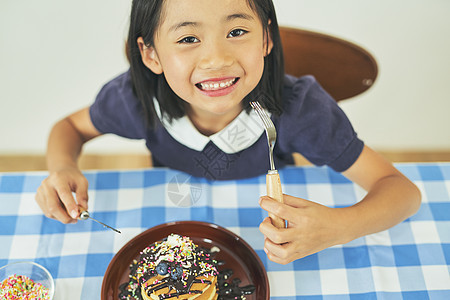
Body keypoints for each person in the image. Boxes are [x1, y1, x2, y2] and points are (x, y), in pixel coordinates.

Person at [35, 0, 421, 264]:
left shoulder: (303, 112)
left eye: (237, 31)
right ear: (151, 54)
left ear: (266, 38)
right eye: (188, 39)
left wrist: (338, 227)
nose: (217, 59)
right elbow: (68, 128)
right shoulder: (135, 101)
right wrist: (62, 166)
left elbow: (403, 192)